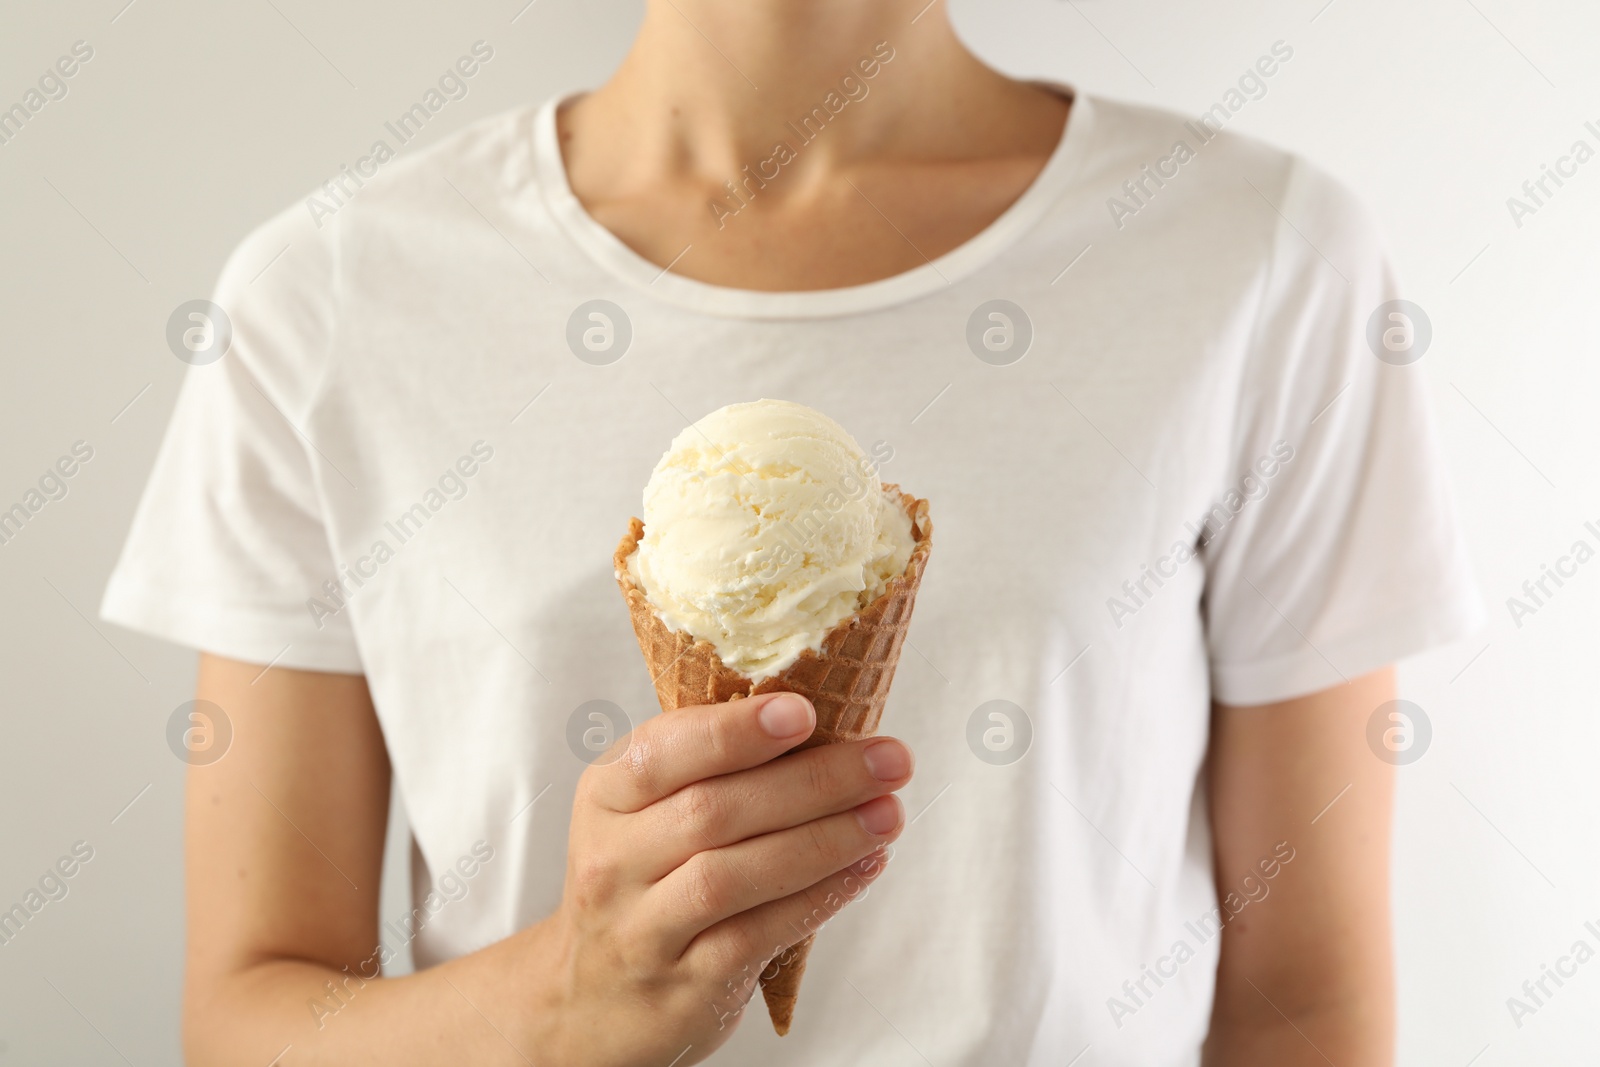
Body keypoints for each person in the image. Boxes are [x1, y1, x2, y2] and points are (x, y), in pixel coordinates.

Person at [103, 2, 1483, 1064]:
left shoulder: (1263, 256)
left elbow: (1303, 1010)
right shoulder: (329, 296)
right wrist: (565, 1004)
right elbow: (254, 1017)